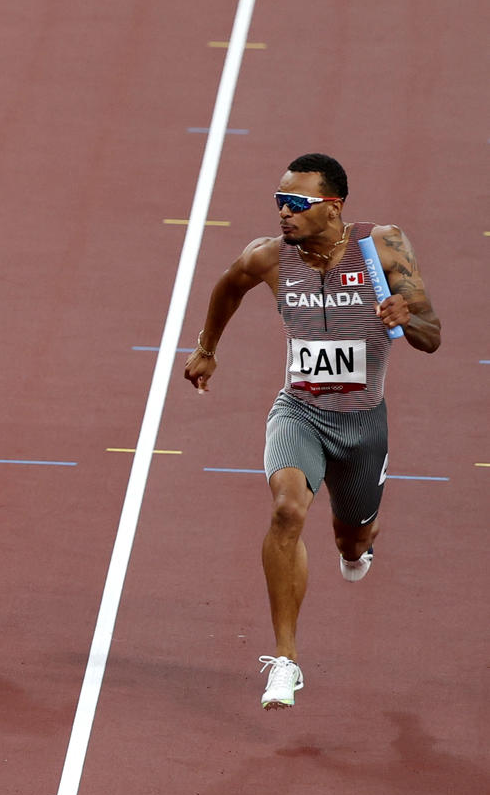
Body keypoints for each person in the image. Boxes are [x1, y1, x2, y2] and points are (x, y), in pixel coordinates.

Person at [183, 153, 441, 709]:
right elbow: (228, 287)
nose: (284, 213)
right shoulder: (270, 257)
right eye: (279, 202)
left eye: (297, 204)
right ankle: (285, 661)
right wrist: (207, 351)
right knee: (286, 510)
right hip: (299, 411)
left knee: (351, 542)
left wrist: (406, 317)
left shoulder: (383, 248)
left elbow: (431, 334)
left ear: (333, 206)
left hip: (363, 423)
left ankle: (359, 546)